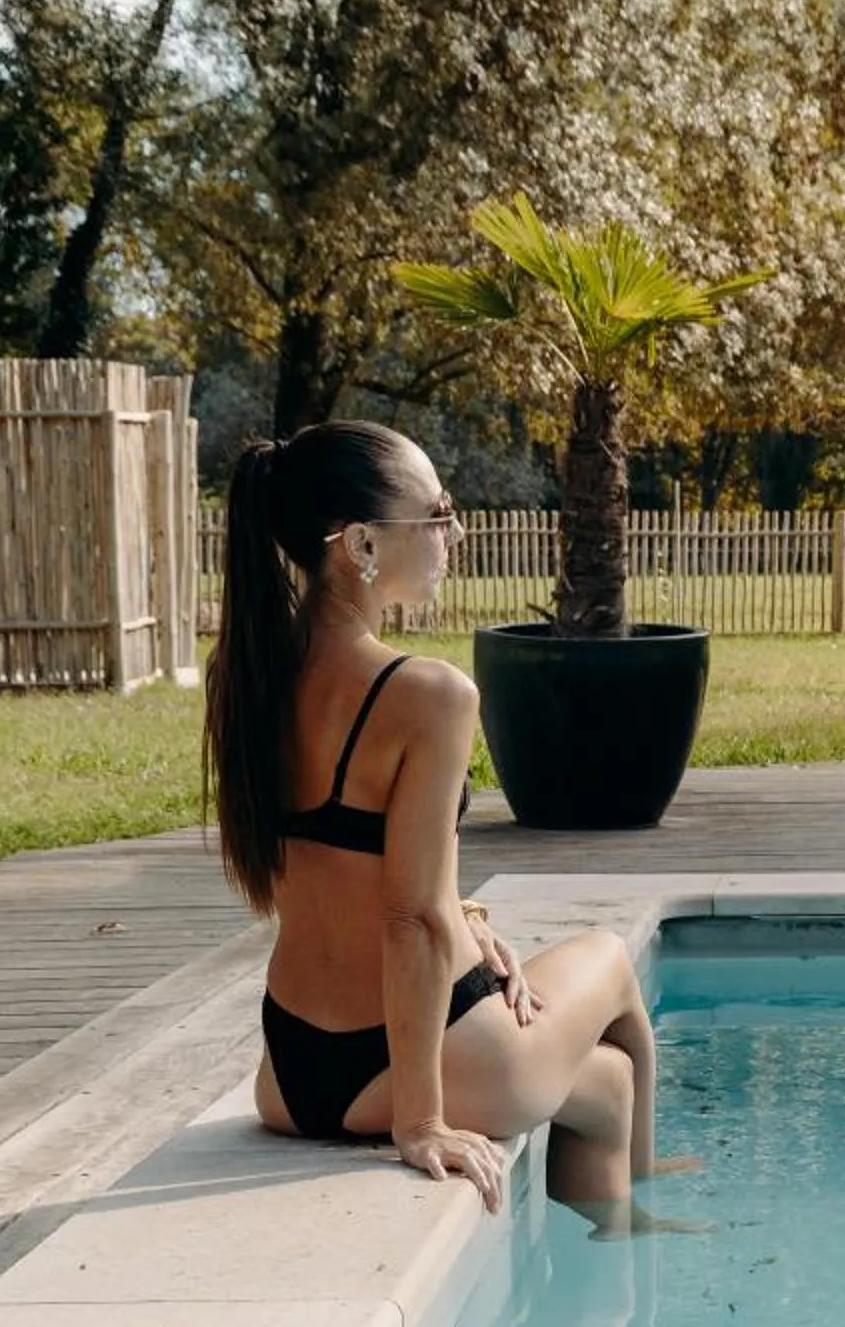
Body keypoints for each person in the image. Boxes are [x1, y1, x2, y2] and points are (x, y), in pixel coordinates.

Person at [205, 420, 690, 1233]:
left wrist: (468, 920)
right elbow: (410, 919)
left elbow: (349, 862)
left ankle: (627, 1200)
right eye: (438, 514)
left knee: (604, 1082)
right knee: (610, 959)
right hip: (415, 1060)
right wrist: (421, 1121)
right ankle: (643, 1202)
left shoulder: (245, 672)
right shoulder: (427, 694)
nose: (454, 533)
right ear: (360, 544)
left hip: (290, 1072)